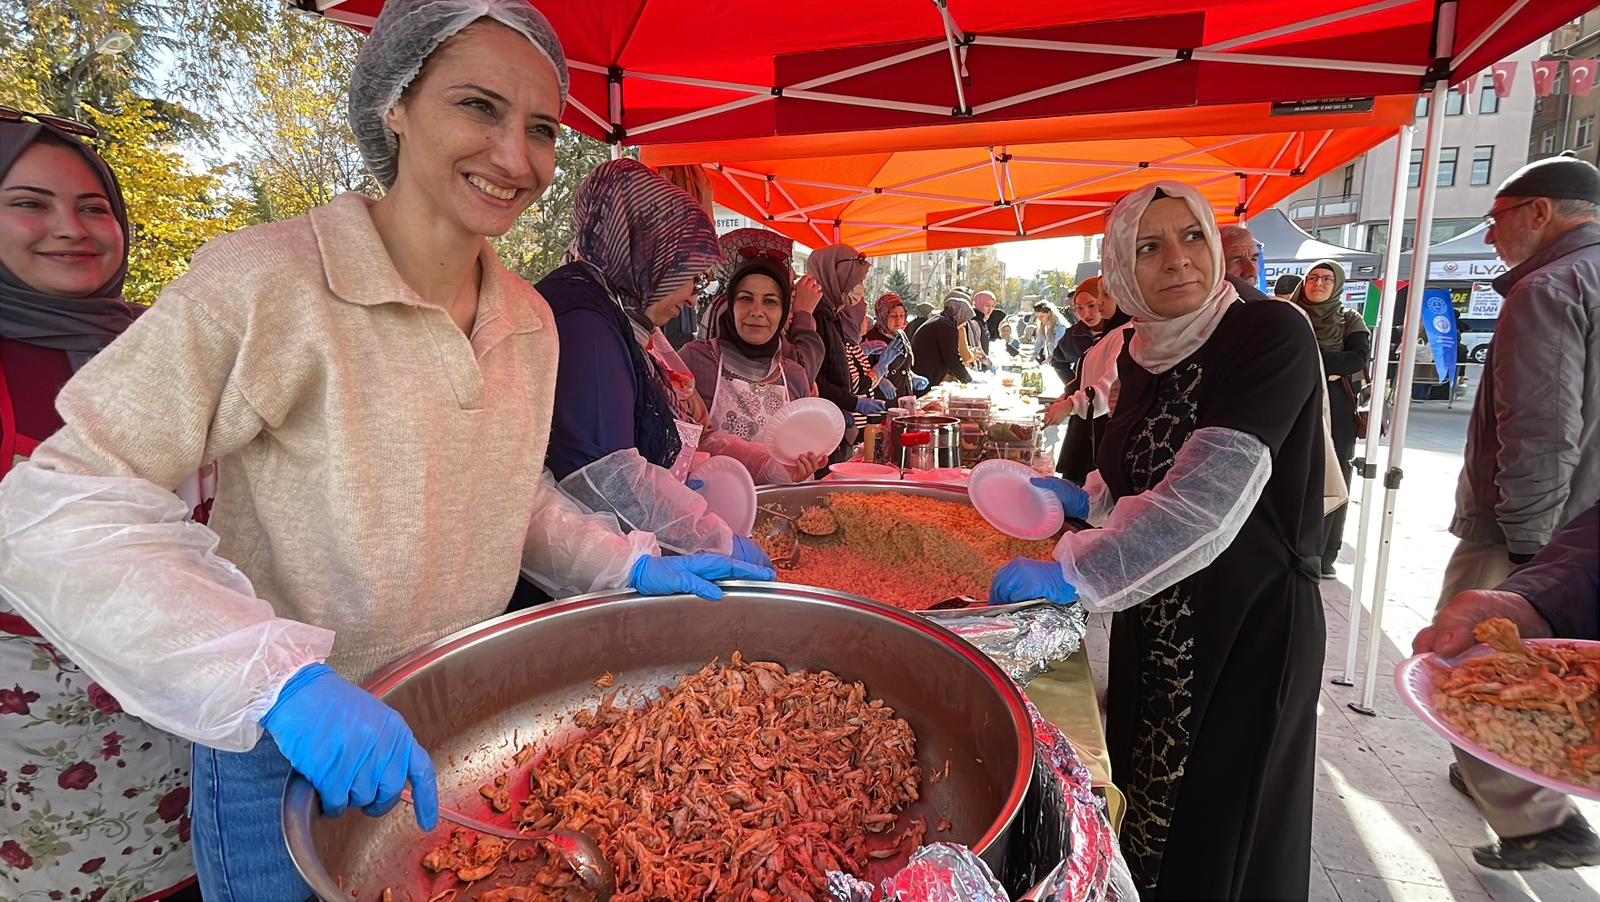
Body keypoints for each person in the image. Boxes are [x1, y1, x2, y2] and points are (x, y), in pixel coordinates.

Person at [0, 5, 775, 898]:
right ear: (395, 107)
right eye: (478, 107)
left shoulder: (526, 318)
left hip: (466, 724)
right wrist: (280, 683)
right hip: (282, 754)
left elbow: (507, 497)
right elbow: (61, 506)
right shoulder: (267, 281)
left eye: (541, 128)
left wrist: (623, 567)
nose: (515, 158)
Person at [990, 182, 1325, 899]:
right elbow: (1139, 476)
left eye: (1192, 237)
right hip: (1157, 619)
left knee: (1222, 822)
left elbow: (1204, 502)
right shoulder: (1138, 352)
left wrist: (1074, 573)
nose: (1178, 260)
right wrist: (1086, 500)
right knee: (1150, 803)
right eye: (1149, 246)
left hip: (1245, 628)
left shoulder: (1268, 334)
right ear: (1119, 271)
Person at [0, 113, 200, 901]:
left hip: (191, 718)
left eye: (93, 207)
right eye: (30, 204)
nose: (69, 229)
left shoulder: (162, 343)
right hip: (44, 754)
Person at [1434, 154, 1600, 869]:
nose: (1491, 236)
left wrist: (1532, 558)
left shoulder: (1547, 287)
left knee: (1458, 660)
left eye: (1497, 220)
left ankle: (1532, 814)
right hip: (1585, 522)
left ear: (1539, 212)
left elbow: (1540, 425)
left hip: (1538, 526)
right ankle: (1503, 779)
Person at [539, 159, 798, 558]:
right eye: (693, 276)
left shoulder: (614, 313)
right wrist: (715, 540)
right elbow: (609, 482)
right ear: (652, 257)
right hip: (589, 561)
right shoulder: (587, 324)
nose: (695, 296)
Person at [679, 258, 824, 468]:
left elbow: (799, 446)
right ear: (731, 305)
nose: (756, 311)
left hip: (778, 498)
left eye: (770, 301)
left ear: (784, 312)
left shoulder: (794, 374)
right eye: (746, 298)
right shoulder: (694, 360)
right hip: (711, 498)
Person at [1290, 260, 1370, 578]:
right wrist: (1329, 368)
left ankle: (1325, 553)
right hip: (1296, 400)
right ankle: (1295, 547)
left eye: (1326, 278)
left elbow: (1357, 358)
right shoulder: (1291, 314)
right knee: (1296, 469)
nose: (1318, 283)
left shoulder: (1350, 319)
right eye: (1313, 277)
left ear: (1337, 284)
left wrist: (1309, 361)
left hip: (1337, 409)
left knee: (1336, 472)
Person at [1046, 282, 1133, 483]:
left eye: (1106, 296)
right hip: (1088, 423)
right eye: (1079, 308)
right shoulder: (1112, 333)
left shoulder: (1125, 333)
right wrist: (1069, 395)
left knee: (1087, 493)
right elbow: (1088, 374)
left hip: (1100, 426)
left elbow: (1111, 385)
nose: (1100, 303)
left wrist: (1072, 404)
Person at [806, 244, 883, 451]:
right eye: (857, 281)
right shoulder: (817, 314)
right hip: (821, 423)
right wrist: (852, 403)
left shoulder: (833, 313)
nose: (860, 288)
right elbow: (814, 375)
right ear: (836, 274)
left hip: (834, 417)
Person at [861, 292, 918, 399]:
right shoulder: (871, 338)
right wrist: (881, 380)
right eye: (893, 316)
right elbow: (860, 369)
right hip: (882, 400)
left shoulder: (901, 334)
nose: (899, 320)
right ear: (883, 315)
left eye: (902, 315)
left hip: (904, 396)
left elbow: (904, 363)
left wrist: (912, 375)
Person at [911, 292, 977, 385]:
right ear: (958, 314)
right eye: (965, 319)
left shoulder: (940, 320)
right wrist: (969, 381)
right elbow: (953, 360)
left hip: (923, 375)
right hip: (925, 378)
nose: (965, 323)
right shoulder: (946, 326)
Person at [1051, 277, 1106, 387]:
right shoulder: (1074, 334)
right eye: (1079, 308)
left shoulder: (1122, 331)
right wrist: (1075, 387)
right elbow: (1058, 361)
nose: (1086, 314)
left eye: (1091, 305)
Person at [1031, 299, 1067, 368]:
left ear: (1049, 313)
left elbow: (1058, 346)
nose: (1039, 319)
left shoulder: (1060, 327)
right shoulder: (1045, 326)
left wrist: (1050, 358)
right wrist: (1035, 352)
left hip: (1063, 363)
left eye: (1041, 316)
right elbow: (1039, 340)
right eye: (1038, 317)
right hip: (1054, 362)